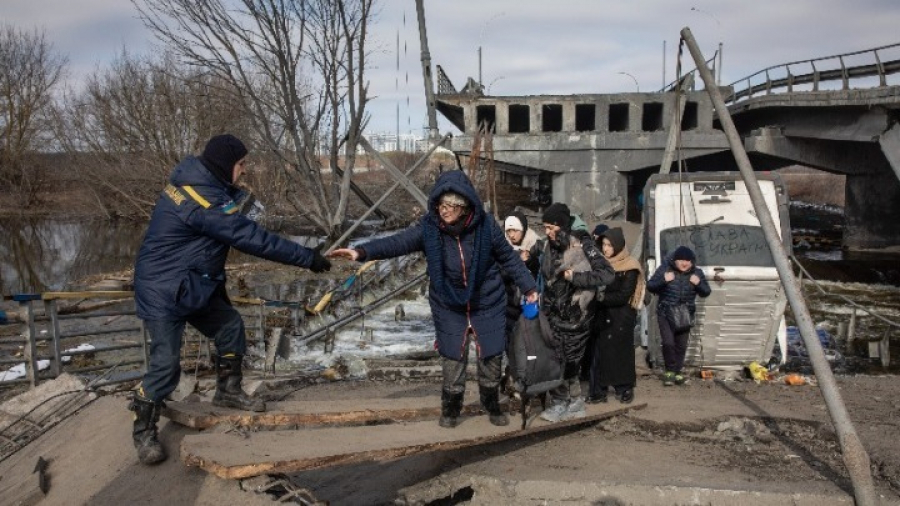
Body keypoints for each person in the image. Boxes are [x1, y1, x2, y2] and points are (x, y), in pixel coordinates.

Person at [130, 134, 332, 465]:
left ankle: (228, 391)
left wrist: (240, 199)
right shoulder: (200, 200)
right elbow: (250, 237)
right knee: (166, 364)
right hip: (163, 291)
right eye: (241, 165)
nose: (244, 171)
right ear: (225, 165)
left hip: (190, 283)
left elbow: (232, 215)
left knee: (230, 327)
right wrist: (307, 258)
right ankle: (143, 431)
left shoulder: (202, 185)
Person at [329, 170, 538, 429]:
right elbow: (398, 243)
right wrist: (361, 251)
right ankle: (451, 409)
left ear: (464, 207)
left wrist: (529, 287)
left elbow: (508, 257)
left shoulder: (486, 227)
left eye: (450, 206)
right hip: (449, 303)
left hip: (487, 300)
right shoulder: (429, 228)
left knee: (491, 358)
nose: (444, 210)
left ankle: (491, 404)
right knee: (453, 358)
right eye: (441, 204)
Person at [538, 203, 614, 422]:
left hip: (576, 315)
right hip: (554, 313)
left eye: (550, 227)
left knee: (568, 361)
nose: (547, 232)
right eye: (544, 227)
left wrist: (576, 278)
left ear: (561, 226)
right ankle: (568, 402)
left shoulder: (584, 244)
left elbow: (607, 274)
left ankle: (568, 403)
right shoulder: (550, 246)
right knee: (557, 359)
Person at [588, 227, 645, 404]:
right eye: (603, 244)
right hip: (602, 316)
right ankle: (599, 390)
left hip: (621, 317)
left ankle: (624, 388)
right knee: (599, 354)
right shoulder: (599, 265)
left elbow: (623, 295)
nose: (605, 249)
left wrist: (600, 297)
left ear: (618, 246)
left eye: (609, 245)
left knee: (620, 354)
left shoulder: (630, 267)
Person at [646, 245, 711, 386]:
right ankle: (669, 370)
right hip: (666, 312)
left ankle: (677, 371)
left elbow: (706, 292)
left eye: (688, 260)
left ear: (692, 262)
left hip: (685, 314)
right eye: (681, 260)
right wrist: (664, 280)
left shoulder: (697, 273)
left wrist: (698, 283)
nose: (684, 263)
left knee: (681, 345)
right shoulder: (665, 269)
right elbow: (650, 286)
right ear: (675, 260)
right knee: (669, 343)